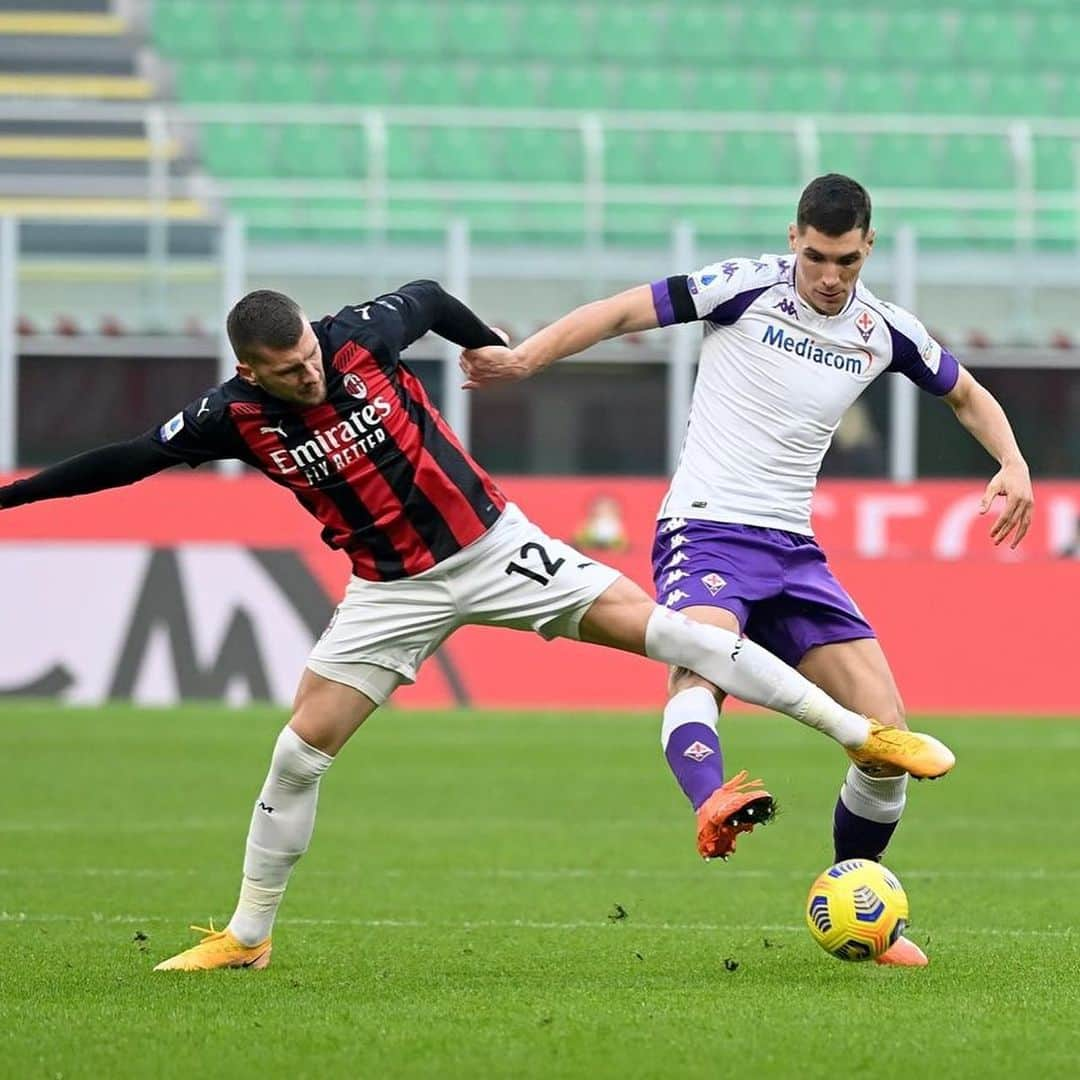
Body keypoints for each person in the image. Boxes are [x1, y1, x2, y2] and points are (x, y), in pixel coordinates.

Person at [0, 278, 953, 973]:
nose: (309, 373)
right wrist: (14, 499)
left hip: (498, 547)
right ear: (250, 368)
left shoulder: (362, 335)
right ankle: (247, 937)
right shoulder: (231, 416)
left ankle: (865, 734)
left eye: (311, 357)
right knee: (299, 751)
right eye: (288, 371)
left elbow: (428, 294)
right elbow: (121, 461)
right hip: (388, 592)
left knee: (672, 634)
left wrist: (490, 342)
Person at [460, 175, 1034, 968]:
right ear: (794, 236)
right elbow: (624, 310)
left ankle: (862, 905)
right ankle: (711, 801)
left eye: (846, 260)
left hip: (793, 550)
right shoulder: (743, 287)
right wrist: (526, 359)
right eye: (817, 255)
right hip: (707, 528)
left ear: (869, 248)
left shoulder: (883, 328)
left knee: (886, 736)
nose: (830, 276)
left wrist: (1011, 461)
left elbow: (966, 394)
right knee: (701, 654)